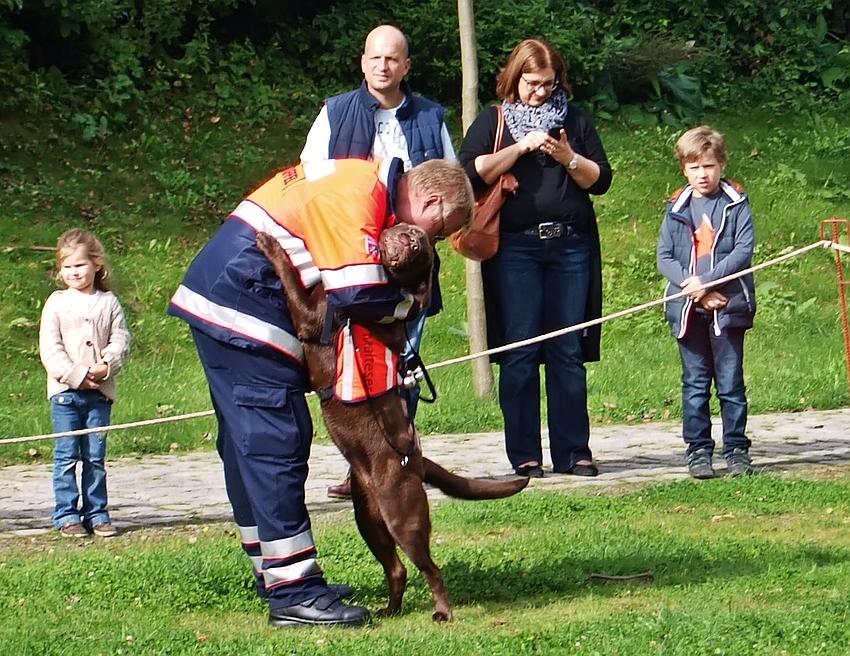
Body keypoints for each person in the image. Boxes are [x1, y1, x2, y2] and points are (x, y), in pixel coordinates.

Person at [168, 157, 473, 628]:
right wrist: (410, 306)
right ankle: (295, 592)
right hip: (243, 307)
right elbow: (355, 293)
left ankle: (274, 571)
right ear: (431, 201)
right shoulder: (359, 197)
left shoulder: (363, 182)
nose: (430, 244)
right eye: (438, 232)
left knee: (246, 446)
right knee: (274, 443)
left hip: (233, 300)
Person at [301, 23, 457, 500]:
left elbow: (451, 187)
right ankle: (361, 467)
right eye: (374, 58)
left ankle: (399, 462)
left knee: (403, 365)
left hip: (410, 267)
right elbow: (309, 178)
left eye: (392, 59)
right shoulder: (336, 112)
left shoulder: (431, 117)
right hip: (352, 262)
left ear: (406, 66)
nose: (382, 66)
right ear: (363, 62)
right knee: (355, 366)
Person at [458, 39, 612, 479]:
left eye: (548, 84)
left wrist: (568, 157)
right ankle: (524, 454)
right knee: (521, 349)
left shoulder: (574, 120)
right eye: (532, 83)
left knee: (567, 349)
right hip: (515, 249)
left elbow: (601, 181)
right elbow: (471, 172)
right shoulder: (495, 120)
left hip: (570, 247)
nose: (541, 92)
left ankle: (573, 452)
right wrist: (520, 148)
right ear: (515, 79)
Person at [657, 126, 757, 479]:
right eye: (695, 167)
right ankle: (698, 450)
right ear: (684, 168)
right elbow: (664, 257)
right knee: (695, 384)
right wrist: (693, 286)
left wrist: (709, 283)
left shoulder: (736, 203)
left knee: (730, 384)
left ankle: (736, 450)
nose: (703, 174)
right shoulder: (676, 207)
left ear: (722, 164)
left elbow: (743, 251)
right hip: (688, 307)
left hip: (728, 307)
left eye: (710, 166)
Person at [39, 229, 130, 539]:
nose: (73, 272)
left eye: (79, 265)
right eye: (67, 266)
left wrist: (105, 368)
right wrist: (79, 376)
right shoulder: (56, 303)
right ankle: (66, 514)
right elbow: (51, 350)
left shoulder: (108, 302)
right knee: (66, 455)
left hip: (99, 397)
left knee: (95, 455)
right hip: (66, 395)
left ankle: (98, 513)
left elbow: (120, 340)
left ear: (96, 265)